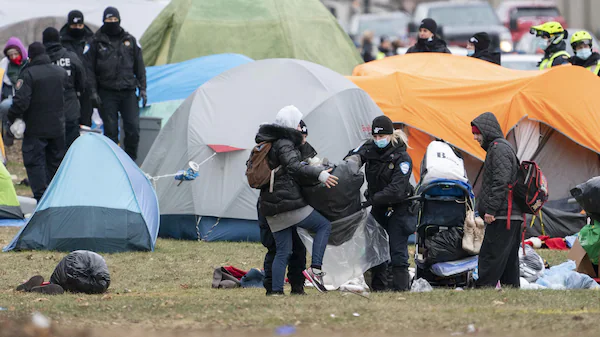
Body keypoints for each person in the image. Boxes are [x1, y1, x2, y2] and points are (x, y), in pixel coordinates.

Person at [255, 105, 338, 295]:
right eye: (298, 123)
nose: (301, 127)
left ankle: (275, 292)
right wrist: (320, 174)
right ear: (291, 124)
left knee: (283, 251)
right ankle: (315, 270)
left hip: (270, 206)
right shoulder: (284, 143)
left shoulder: (270, 141)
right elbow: (294, 167)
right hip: (286, 203)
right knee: (323, 225)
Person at [348, 116, 415, 292]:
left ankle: (401, 289)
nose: (378, 140)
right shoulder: (369, 148)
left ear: (390, 135)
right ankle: (379, 288)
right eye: (375, 137)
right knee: (373, 248)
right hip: (378, 207)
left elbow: (396, 189)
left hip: (398, 207)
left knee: (397, 250)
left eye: (382, 136)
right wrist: (353, 163)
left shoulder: (402, 157)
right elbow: (352, 157)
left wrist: (371, 200)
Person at [258, 119, 316, 296]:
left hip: (288, 204)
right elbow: (297, 171)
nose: (303, 138)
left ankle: (294, 286)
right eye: (300, 134)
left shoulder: (291, 146)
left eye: (305, 135)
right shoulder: (280, 147)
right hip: (277, 205)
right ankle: (273, 287)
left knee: (296, 248)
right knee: (278, 248)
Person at [7, 42, 67, 202]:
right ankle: (56, 198)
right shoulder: (60, 72)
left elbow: (21, 102)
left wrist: (11, 118)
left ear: (30, 56)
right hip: (57, 127)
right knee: (55, 163)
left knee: (35, 163)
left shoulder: (28, 74)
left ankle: (41, 199)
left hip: (36, 127)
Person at [85, 6, 146, 161]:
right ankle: (112, 163)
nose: (112, 22)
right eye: (108, 20)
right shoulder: (95, 42)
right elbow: (89, 70)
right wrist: (93, 92)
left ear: (119, 20)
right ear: (103, 21)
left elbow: (140, 66)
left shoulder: (130, 40)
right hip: (107, 92)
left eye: (114, 19)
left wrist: (143, 89)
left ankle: (131, 161)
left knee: (133, 129)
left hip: (128, 91)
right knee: (111, 131)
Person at [470, 112, 521, 288]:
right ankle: (511, 288)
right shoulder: (500, 148)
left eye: (477, 133)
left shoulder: (498, 149)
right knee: (508, 258)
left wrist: (491, 210)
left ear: (486, 131)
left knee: (490, 253)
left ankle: (484, 287)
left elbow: (501, 181)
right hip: (511, 214)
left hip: (503, 214)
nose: (476, 138)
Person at [43, 27, 85, 149]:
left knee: (51, 151)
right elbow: (82, 82)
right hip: (70, 109)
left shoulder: (38, 60)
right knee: (71, 148)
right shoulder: (72, 57)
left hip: (45, 112)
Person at [60, 10, 94, 127]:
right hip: (68, 86)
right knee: (70, 120)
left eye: (80, 25)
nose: (77, 28)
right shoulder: (61, 41)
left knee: (86, 121)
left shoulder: (91, 40)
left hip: (87, 86)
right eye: (74, 26)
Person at [0, 37, 28, 146]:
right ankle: (9, 131)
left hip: (27, 96)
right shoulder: (5, 65)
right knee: (5, 105)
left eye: (16, 54)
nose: (13, 57)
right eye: (10, 55)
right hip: (12, 97)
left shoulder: (28, 64)